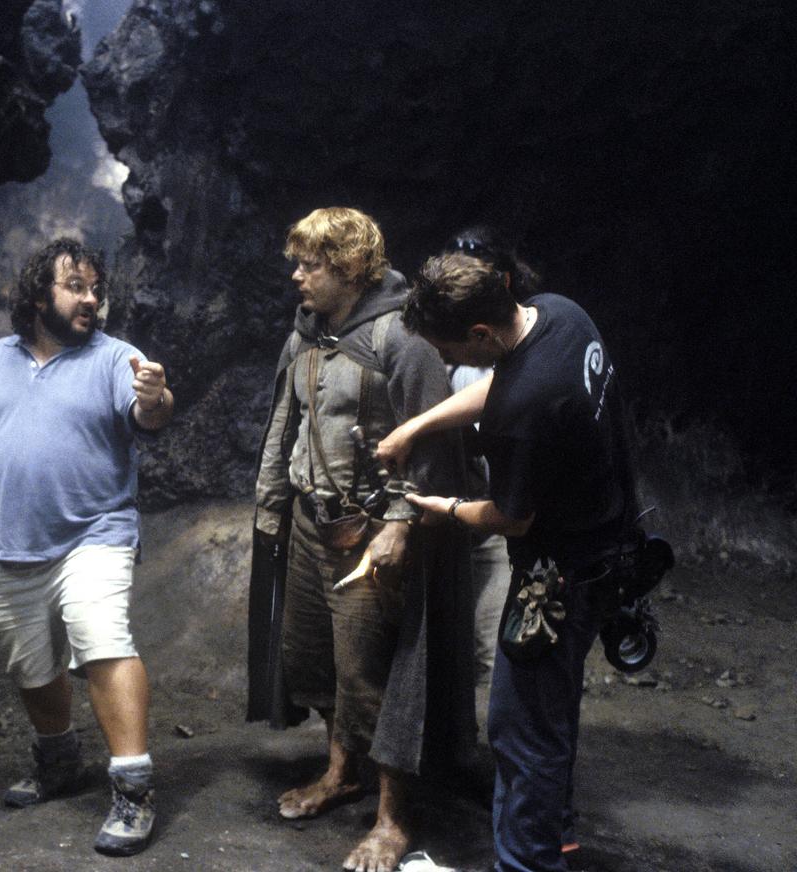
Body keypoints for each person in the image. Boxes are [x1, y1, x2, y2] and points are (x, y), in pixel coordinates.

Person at [377, 252, 638, 872]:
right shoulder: (558, 314)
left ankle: (526, 863)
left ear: (481, 334)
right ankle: (558, 834)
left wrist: (445, 507)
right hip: (611, 532)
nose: (445, 364)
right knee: (551, 714)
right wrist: (418, 424)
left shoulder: (525, 415)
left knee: (520, 736)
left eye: (450, 352)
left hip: (561, 572)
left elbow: (510, 517)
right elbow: (508, 381)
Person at [247, 207, 473, 872]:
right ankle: (341, 770)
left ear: (346, 267)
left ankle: (393, 817)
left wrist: (401, 526)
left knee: (372, 674)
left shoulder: (403, 340)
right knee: (313, 659)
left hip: (371, 533)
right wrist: (270, 505)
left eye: (309, 263)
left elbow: (435, 442)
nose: (297, 276)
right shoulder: (308, 334)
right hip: (311, 523)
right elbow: (284, 419)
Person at [0, 237, 174, 857]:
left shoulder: (116, 357)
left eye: (97, 289)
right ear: (40, 293)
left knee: (103, 639)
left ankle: (133, 787)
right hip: (11, 542)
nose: (91, 299)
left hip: (96, 533)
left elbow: (151, 415)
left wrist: (154, 398)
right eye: (77, 287)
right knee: (30, 663)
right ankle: (59, 760)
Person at [442, 227, 541, 689]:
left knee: (493, 644)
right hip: (453, 510)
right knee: (450, 642)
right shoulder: (447, 355)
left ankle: (495, 749)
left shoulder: (523, 353)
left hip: (501, 514)